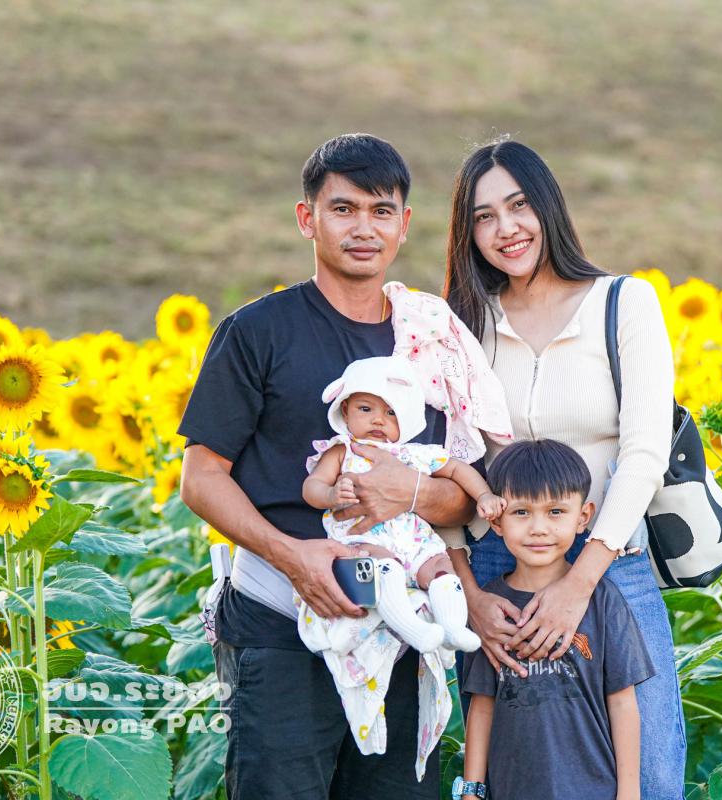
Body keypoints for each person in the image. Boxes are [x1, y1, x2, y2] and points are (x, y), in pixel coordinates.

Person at [179, 133, 476, 800]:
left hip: (399, 633)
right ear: (306, 218)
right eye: (343, 209)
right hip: (281, 623)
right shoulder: (258, 332)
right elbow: (201, 477)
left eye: (381, 211)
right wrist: (294, 558)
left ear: (404, 224)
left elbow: (461, 491)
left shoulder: (428, 340)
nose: (363, 228)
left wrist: (411, 492)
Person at [442, 138, 687, 799]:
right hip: (499, 572)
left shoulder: (623, 302)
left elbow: (644, 451)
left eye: (519, 206)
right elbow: (450, 459)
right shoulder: (466, 324)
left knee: (649, 773)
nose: (506, 229)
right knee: (518, 771)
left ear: (548, 206)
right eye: (484, 217)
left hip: (611, 561)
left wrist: (580, 581)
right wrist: (469, 593)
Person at [297, 355, 494, 777]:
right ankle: (413, 628)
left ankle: (452, 627)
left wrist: (484, 497)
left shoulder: (415, 454)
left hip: (413, 540)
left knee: (440, 567)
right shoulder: (343, 451)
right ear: (345, 411)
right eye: (366, 408)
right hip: (365, 540)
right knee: (380, 566)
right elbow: (312, 486)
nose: (378, 420)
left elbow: (458, 469)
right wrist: (331, 496)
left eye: (391, 412)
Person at [458, 440, 652, 800]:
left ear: (584, 517)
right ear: (496, 520)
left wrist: (629, 793)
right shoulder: (491, 610)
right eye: (521, 512)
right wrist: (471, 790)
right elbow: (482, 705)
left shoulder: (603, 601)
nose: (538, 528)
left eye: (556, 512)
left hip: (593, 790)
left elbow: (623, 702)